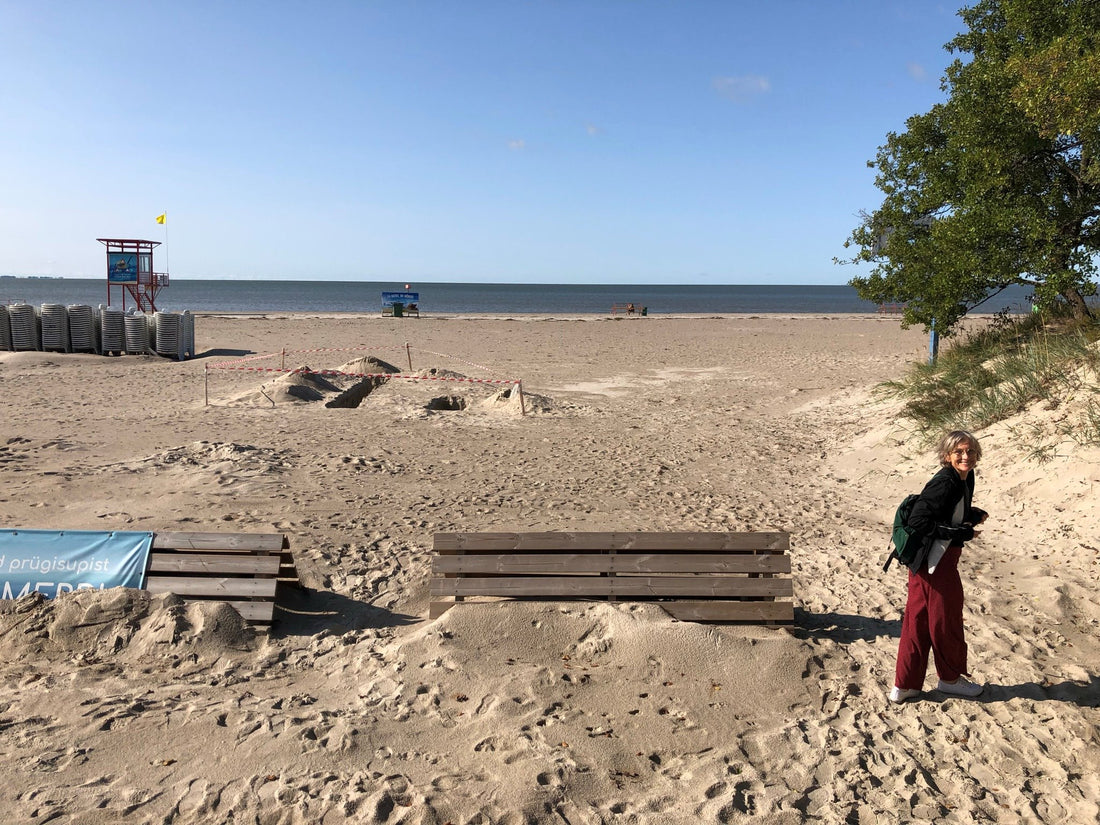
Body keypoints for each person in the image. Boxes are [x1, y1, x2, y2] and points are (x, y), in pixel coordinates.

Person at [889, 430, 989, 703]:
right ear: (947, 456)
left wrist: (971, 514)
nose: (965, 456)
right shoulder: (945, 482)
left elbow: (944, 512)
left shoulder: (964, 478)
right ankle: (950, 679)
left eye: (970, 451)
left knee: (918, 622)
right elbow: (920, 520)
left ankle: (905, 685)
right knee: (946, 621)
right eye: (959, 452)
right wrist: (963, 534)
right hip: (935, 564)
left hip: (927, 564)